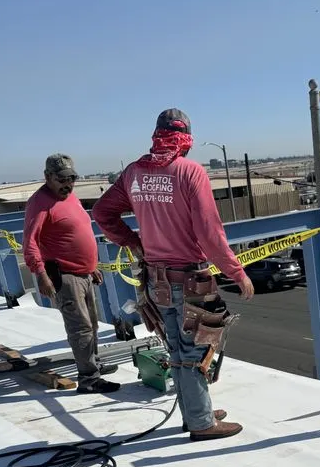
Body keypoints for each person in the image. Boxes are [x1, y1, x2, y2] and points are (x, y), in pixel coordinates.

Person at [92, 109, 254, 441]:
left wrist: (133, 241)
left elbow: (101, 212)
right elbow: (209, 233)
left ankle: (197, 410)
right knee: (195, 351)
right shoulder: (189, 172)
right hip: (188, 280)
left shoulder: (134, 173)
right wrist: (237, 273)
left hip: (156, 281)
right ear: (186, 140)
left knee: (179, 351)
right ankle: (200, 422)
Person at [23, 154, 120, 395]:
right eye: (62, 179)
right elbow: (30, 243)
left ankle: (93, 365)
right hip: (64, 275)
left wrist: (91, 266)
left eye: (72, 178)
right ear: (47, 177)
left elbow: (76, 232)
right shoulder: (40, 203)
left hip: (84, 273)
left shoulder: (69, 197)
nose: (68, 184)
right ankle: (88, 379)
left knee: (93, 325)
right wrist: (41, 274)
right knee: (81, 328)